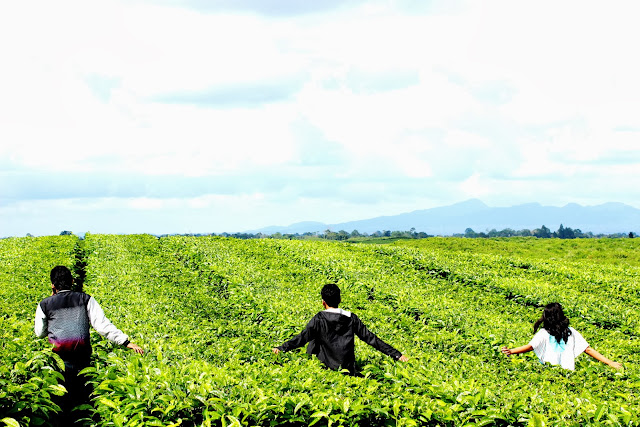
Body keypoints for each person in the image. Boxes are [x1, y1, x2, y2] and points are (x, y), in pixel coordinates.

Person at [35, 266, 144, 424]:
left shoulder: (44, 304)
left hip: (58, 363)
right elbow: (102, 326)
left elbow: (40, 333)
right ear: (72, 281)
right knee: (83, 402)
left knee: (61, 405)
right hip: (83, 361)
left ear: (53, 285)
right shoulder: (85, 299)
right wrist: (126, 342)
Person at [272, 283, 408, 376]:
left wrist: (282, 348)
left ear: (323, 302)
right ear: (340, 299)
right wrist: (397, 355)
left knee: (312, 336)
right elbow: (370, 338)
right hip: (347, 367)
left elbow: (302, 338)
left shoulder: (319, 318)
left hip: (324, 365)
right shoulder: (351, 317)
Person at [501, 302, 622, 370]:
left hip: (548, 371)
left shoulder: (544, 333)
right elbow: (588, 349)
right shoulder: (571, 332)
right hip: (568, 372)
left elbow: (530, 347)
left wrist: (511, 351)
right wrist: (610, 362)